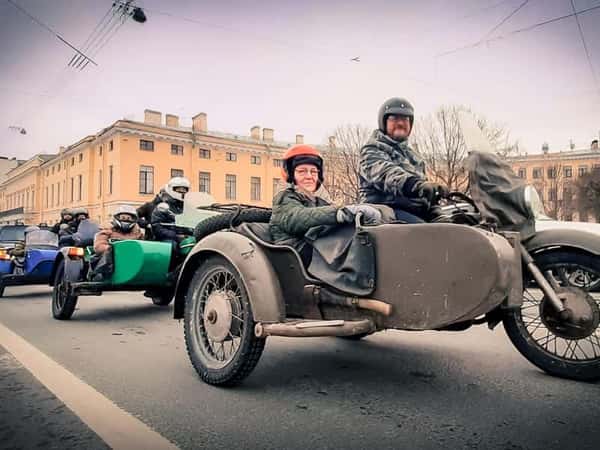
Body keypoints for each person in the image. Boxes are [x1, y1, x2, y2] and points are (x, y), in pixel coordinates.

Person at [269, 144, 385, 265]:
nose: (309, 176)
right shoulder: (284, 199)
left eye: (314, 171)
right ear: (291, 175)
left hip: (321, 253)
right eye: (302, 171)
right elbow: (298, 217)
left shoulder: (319, 201)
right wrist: (341, 213)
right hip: (299, 259)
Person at [359, 97, 449, 223]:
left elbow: (424, 194)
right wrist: (416, 185)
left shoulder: (415, 158)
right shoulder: (371, 150)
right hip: (385, 214)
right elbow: (387, 174)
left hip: (413, 213)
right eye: (394, 118)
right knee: (428, 235)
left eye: (405, 119)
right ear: (383, 122)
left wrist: (437, 212)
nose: (401, 123)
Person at [89, 205, 144, 281]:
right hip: (112, 260)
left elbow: (143, 247)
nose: (126, 220)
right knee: (106, 253)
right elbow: (99, 245)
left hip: (129, 260)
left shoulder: (138, 233)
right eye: (123, 218)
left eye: (129, 218)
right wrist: (110, 248)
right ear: (117, 218)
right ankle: (100, 274)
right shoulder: (107, 230)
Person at [151, 176, 190, 245]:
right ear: (171, 189)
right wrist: (175, 236)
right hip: (168, 238)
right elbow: (156, 226)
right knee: (172, 246)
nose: (182, 191)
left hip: (186, 237)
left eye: (185, 189)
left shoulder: (188, 207)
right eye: (179, 189)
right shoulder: (163, 207)